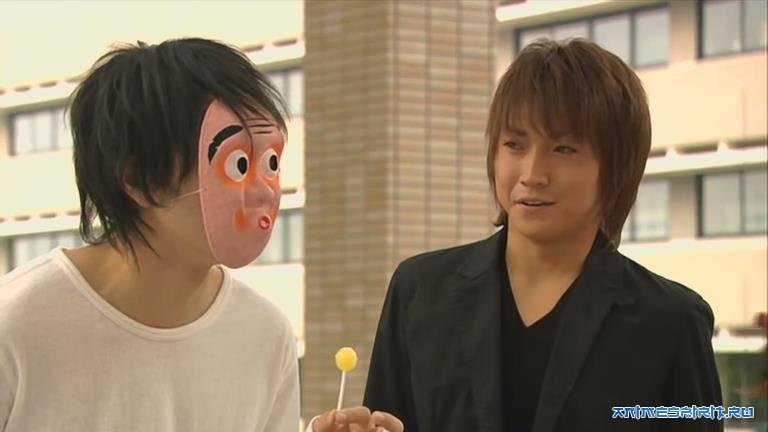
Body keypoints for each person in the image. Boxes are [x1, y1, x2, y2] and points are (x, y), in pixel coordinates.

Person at [0, 38, 400, 432]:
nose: (264, 190)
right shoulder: (16, 325)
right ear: (139, 180)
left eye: (271, 162)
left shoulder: (264, 334)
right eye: (238, 164)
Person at [363, 39, 724, 432]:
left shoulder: (672, 322)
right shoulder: (420, 291)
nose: (532, 174)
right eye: (514, 145)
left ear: (617, 168)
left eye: (564, 149)